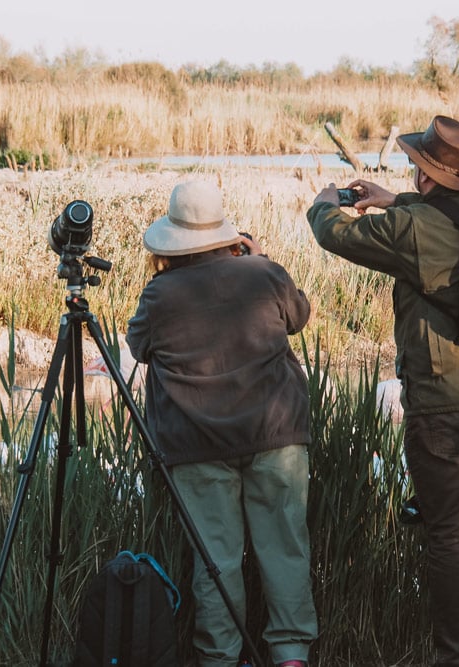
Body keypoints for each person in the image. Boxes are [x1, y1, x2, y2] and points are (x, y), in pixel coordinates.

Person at [306, 115, 459, 666]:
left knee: (451, 530)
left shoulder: (411, 229)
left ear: (426, 175)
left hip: (442, 396)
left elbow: (334, 234)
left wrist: (322, 201)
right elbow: (439, 216)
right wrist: (394, 199)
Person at [126, 179, 317, 667]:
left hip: (196, 443)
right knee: (285, 550)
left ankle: (220, 658)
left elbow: (137, 347)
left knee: (216, 561)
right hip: (277, 435)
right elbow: (299, 315)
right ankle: (291, 655)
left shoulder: (159, 293)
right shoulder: (263, 273)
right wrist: (259, 259)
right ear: (226, 236)